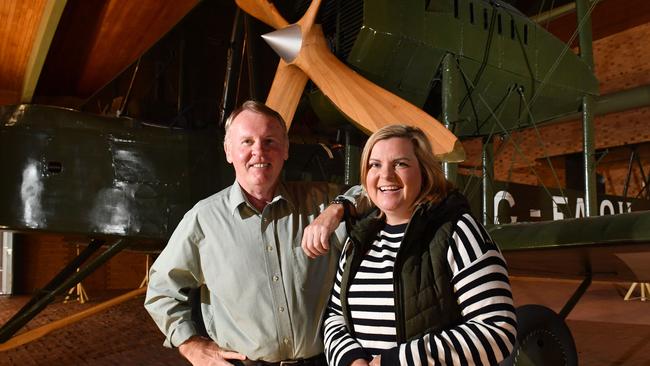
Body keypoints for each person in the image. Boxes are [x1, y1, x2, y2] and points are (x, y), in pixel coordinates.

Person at [144, 100, 360, 365]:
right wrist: (190, 345)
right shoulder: (204, 219)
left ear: (286, 150)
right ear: (228, 151)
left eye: (270, 141)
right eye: (247, 142)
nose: (259, 151)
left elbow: (374, 192)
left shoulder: (320, 201)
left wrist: (337, 209)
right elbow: (161, 290)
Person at [321, 125, 517, 366]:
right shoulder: (359, 239)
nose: (386, 175)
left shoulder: (457, 230)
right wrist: (351, 360)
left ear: (424, 171)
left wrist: (395, 362)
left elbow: (497, 329)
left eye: (400, 164)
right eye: (375, 164)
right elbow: (335, 316)